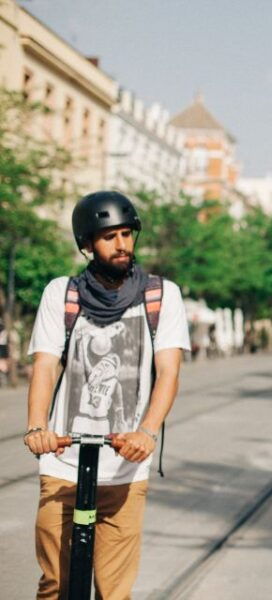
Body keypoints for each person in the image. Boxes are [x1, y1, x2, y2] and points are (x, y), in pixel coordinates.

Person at [23, 191, 190, 599]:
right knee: (56, 585)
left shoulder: (161, 296)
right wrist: (37, 427)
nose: (121, 244)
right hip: (63, 464)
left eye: (127, 234)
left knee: (114, 592)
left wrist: (147, 432)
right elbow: (45, 366)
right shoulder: (61, 294)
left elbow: (169, 371)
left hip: (126, 471)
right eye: (109, 236)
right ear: (86, 245)